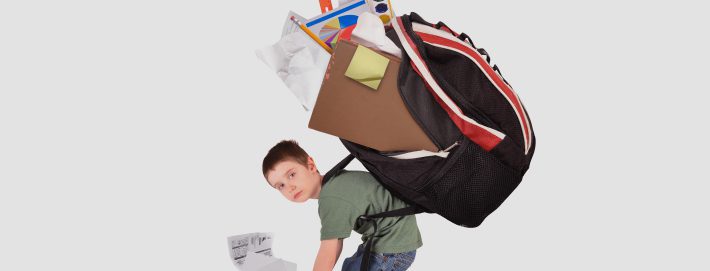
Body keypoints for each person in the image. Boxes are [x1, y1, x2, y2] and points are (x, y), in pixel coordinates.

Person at [262, 140, 421, 271]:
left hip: (393, 248)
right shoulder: (334, 182)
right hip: (394, 239)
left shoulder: (332, 198)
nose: (289, 187)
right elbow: (335, 245)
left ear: (310, 165)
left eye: (291, 175)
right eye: (280, 185)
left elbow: (328, 252)